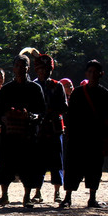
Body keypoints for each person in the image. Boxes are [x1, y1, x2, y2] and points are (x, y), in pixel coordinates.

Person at [59, 60, 108, 209]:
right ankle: (68, 197)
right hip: (78, 138)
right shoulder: (78, 93)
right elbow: (69, 116)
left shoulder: (105, 95)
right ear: (86, 74)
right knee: (72, 168)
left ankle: (92, 198)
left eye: (95, 71)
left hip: (96, 139)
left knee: (95, 168)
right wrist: (70, 135)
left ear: (101, 74)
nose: (92, 74)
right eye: (89, 71)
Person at [0, 55, 47, 207]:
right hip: (9, 133)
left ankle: (27, 196)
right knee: (6, 164)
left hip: (28, 133)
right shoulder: (7, 89)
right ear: (13, 68)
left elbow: (41, 111)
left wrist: (30, 116)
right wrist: (4, 118)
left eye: (23, 66)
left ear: (27, 68)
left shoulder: (35, 88)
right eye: (17, 65)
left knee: (28, 165)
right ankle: (4, 195)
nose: (20, 68)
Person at [32, 53, 66, 203]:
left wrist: (51, 110)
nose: (43, 72)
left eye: (46, 69)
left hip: (54, 128)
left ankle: (57, 192)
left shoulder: (57, 86)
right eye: (41, 69)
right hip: (38, 129)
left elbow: (64, 107)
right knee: (38, 161)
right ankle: (37, 191)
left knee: (56, 161)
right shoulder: (33, 86)